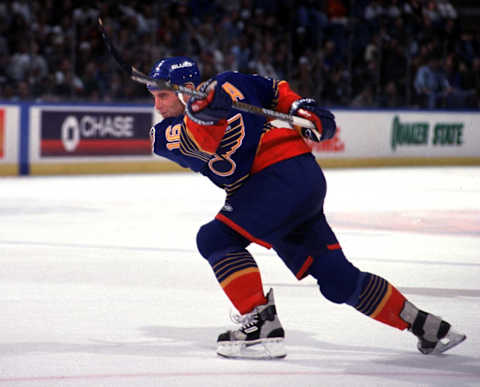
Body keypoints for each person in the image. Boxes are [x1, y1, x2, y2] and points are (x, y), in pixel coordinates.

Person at [147, 56, 466, 359]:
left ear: (185, 91)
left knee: (215, 240)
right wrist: (202, 114)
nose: (157, 106)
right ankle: (426, 325)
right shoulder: (162, 136)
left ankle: (260, 324)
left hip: (277, 179)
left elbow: (275, 92)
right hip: (295, 184)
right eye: (154, 97)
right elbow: (199, 141)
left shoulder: (230, 82)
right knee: (338, 280)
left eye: (162, 96)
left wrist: (303, 108)